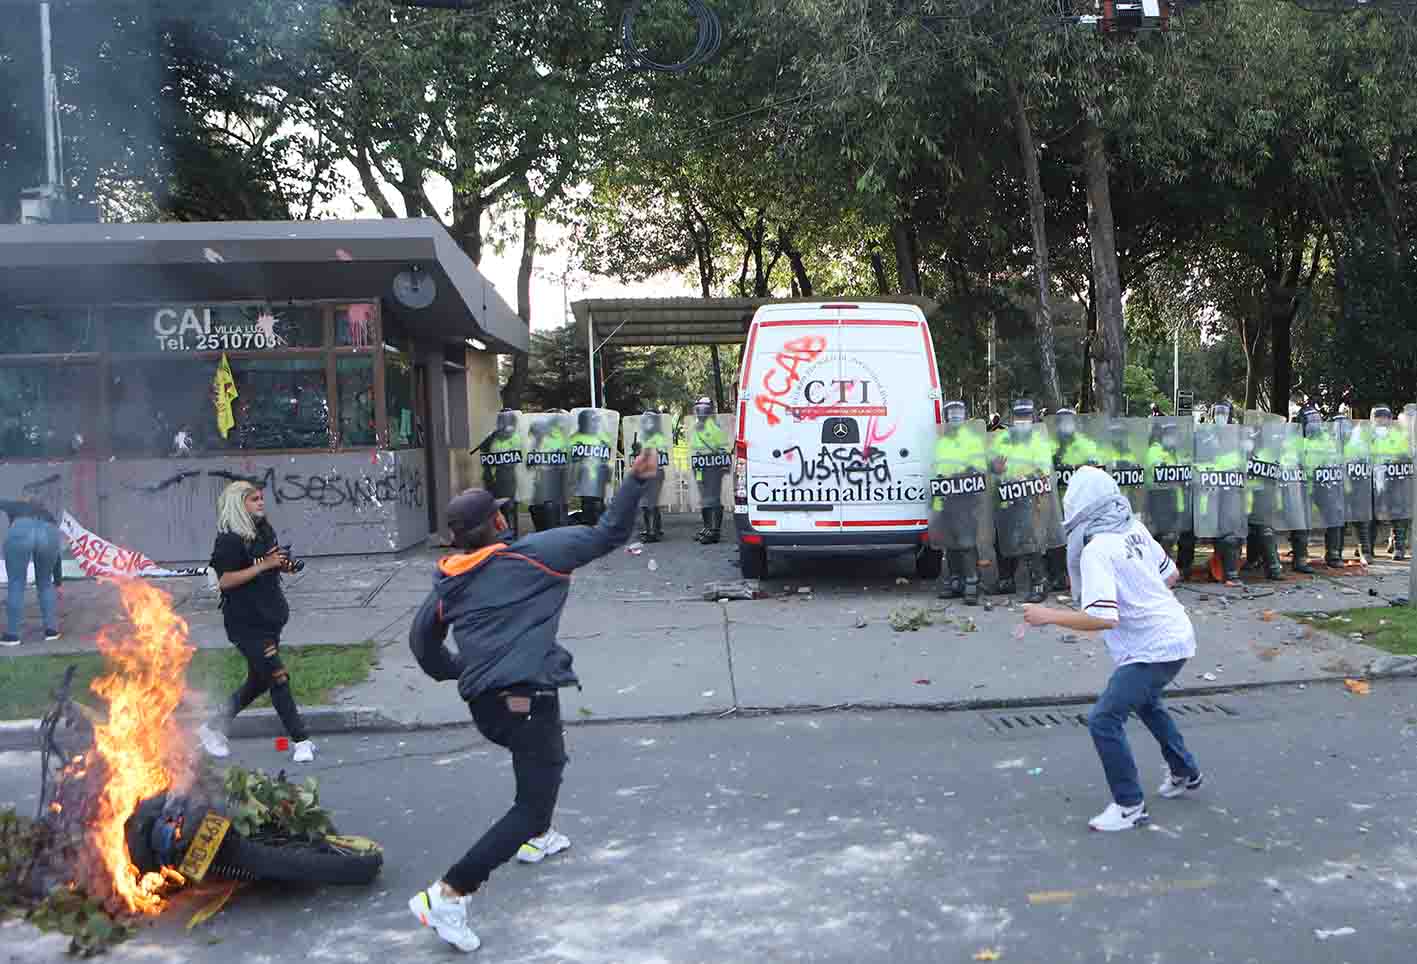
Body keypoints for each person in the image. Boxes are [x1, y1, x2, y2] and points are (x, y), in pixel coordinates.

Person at [405, 445, 660, 953]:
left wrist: (458, 669)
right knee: (532, 805)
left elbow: (421, 642)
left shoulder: (449, 580)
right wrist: (635, 481)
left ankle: (539, 838)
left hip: (489, 704)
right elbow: (609, 533)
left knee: (543, 761)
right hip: (524, 699)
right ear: (499, 520)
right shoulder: (535, 555)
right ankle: (449, 893)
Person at [1023, 466, 1202, 832]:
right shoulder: (1133, 528)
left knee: (1104, 719)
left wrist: (1047, 616)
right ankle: (1185, 770)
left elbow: (1103, 618)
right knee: (1146, 702)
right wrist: (1142, 593)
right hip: (1175, 636)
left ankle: (1129, 805)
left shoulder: (1097, 549)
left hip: (1152, 648)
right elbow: (1171, 574)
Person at [197, 481, 314, 763]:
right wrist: (263, 565)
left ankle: (211, 728)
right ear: (239, 504)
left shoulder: (263, 529)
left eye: (261, 498)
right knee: (277, 676)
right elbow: (224, 580)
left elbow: (270, 560)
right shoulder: (229, 540)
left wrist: (286, 564)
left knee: (258, 682)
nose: (261, 503)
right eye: (254, 500)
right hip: (245, 624)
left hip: (269, 617)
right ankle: (301, 740)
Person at [2, 499, 64, 646]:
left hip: (21, 530)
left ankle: (12, 635)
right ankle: (51, 631)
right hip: (50, 532)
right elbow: (58, 557)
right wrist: (59, 582)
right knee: (45, 583)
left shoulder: (16, 505)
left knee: (16, 583)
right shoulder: (48, 515)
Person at [689, 398, 731, 544]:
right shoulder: (697, 427)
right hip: (700, 467)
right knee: (705, 498)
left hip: (712, 467)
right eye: (699, 409)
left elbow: (723, 448)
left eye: (704, 409)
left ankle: (714, 531)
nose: (700, 412)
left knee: (713, 497)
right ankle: (707, 527)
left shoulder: (714, 427)